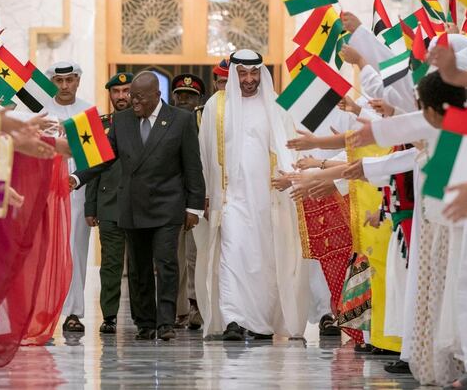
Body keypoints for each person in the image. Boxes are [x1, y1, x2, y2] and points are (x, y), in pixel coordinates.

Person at [71, 71, 205, 341]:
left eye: (139, 98)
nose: (133, 102)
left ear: (157, 95)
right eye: (132, 97)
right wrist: (77, 177)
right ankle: (145, 322)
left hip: (168, 205)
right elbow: (104, 157)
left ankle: (166, 322)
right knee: (138, 267)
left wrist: (194, 207)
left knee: (167, 263)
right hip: (132, 205)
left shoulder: (181, 120)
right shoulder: (122, 121)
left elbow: (193, 166)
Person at [195, 49, 309, 341]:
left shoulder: (277, 106)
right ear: (233, 74)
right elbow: (204, 155)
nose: (249, 79)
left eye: (254, 73)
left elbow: (290, 149)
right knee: (231, 253)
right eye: (243, 73)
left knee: (264, 260)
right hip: (230, 199)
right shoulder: (216, 106)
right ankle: (234, 319)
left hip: (269, 200)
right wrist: (206, 195)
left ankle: (260, 324)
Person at [44, 61, 95, 334]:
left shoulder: (89, 111)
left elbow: (95, 157)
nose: (64, 86)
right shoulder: (40, 110)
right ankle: (44, 313)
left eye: (70, 80)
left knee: (75, 249)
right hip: (45, 190)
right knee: (46, 251)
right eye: (59, 81)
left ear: (78, 81)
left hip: (77, 190)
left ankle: (74, 313)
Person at [84, 72, 133, 334]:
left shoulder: (144, 122)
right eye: (117, 91)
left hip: (139, 205)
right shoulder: (99, 126)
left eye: (126, 91)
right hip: (109, 203)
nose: (122, 96)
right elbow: (92, 170)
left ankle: (142, 316)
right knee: (111, 265)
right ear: (110, 95)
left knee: (140, 265)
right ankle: (110, 316)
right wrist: (90, 207)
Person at [170, 73, 206, 330]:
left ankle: (195, 304)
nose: (184, 100)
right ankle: (176, 307)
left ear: (199, 99)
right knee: (171, 256)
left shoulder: (205, 121)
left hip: (197, 199)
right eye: (180, 95)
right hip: (169, 198)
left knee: (195, 254)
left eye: (190, 96)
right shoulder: (165, 121)